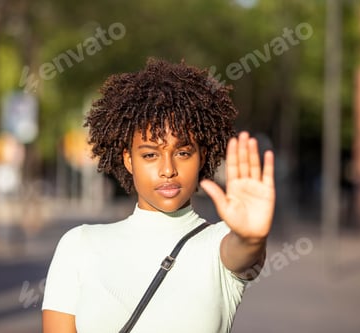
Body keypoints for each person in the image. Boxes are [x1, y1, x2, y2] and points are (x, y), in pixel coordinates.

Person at [42, 58, 275, 333]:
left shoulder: (220, 244)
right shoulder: (78, 245)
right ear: (129, 160)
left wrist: (251, 238)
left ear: (202, 157)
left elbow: (244, 253)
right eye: (150, 154)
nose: (168, 169)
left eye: (183, 153)